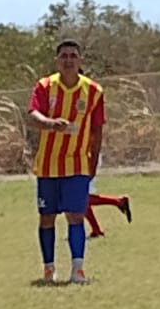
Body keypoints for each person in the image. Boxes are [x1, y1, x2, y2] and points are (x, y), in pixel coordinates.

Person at [27, 39, 104, 284]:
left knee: (76, 216)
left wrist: (93, 162)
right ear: (57, 61)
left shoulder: (94, 91)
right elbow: (33, 115)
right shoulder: (44, 86)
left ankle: (77, 270)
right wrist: (50, 123)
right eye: (64, 56)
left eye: (73, 56)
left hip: (77, 163)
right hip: (48, 164)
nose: (68, 60)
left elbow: (97, 130)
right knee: (47, 218)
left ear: (80, 60)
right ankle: (49, 269)